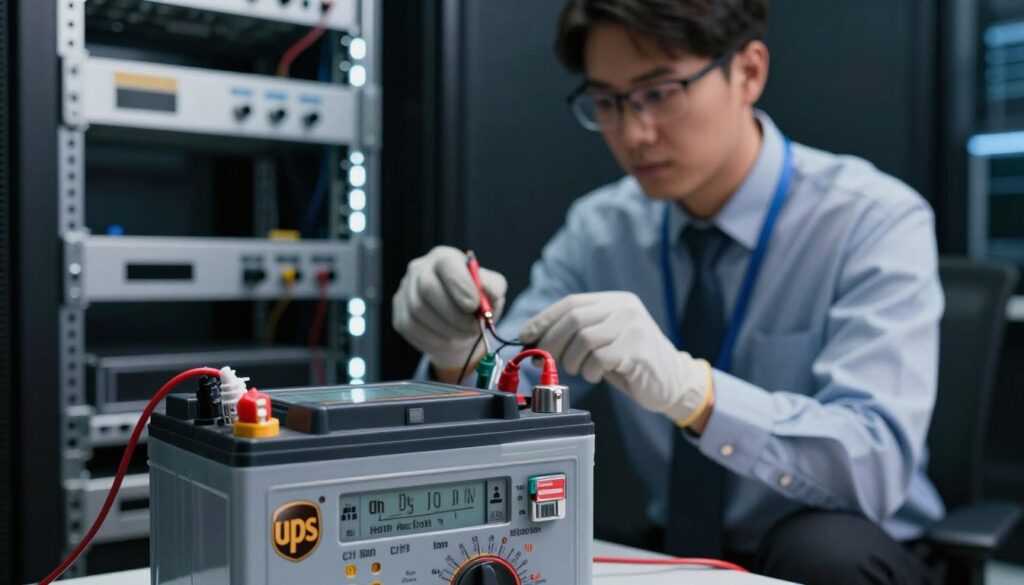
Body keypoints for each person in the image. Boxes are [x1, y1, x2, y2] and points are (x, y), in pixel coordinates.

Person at [392, 1, 944, 583]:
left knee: (825, 553)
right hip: (681, 547)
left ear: (749, 72)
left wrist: (696, 392)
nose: (634, 133)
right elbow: (517, 387)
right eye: (606, 101)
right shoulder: (601, 231)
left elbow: (876, 464)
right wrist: (458, 353)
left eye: (660, 92)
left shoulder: (872, 219)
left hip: (846, 546)